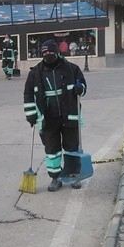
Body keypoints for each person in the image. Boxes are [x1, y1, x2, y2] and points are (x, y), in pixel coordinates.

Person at [23, 40, 87, 192]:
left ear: (57, 52)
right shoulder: (35, 73)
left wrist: (80, 88)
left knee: (72, 147)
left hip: (69, 114)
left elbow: (83, 86)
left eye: (50, 52)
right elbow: (28, 95)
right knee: (52, 149)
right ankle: (55, 177)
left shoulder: (72, 69)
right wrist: (31, 114)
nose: (47, 55)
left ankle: (73, 174)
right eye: (44, 53)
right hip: (48, 117)